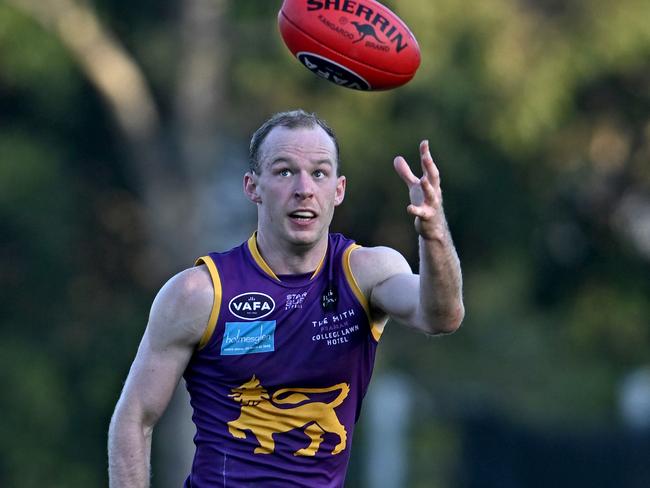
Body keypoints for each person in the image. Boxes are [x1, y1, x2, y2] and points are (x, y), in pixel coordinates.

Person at [108, 109, 464, 487]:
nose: (304, 189)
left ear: (338, 190)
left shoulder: (367, 274)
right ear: (252, 187)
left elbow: (443, 316)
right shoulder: (199, 293)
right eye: (284, 172)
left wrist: (434, 232)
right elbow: (134, 418)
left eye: (319, 173)